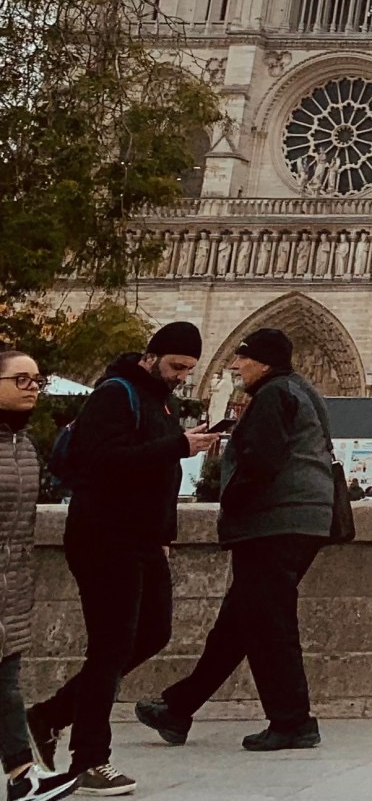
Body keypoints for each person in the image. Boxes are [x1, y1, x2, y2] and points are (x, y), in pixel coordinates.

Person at [27, 322, 218, 800]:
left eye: (188, 370)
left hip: (142, 539)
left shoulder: (158, 400)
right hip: (102, 536)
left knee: (154, 633)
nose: (180, 376)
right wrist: (180, 445)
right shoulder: (115, 394)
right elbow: (105, 460)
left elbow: (154, 477)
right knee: (110, 648)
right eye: (176, 366)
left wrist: (163, 535)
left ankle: (50, 715)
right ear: (152, 355)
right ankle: (90, 760)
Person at [140, 328, 337, 754]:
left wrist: (230, 498)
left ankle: (293, 722)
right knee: (241, 622)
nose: (236, 365)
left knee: (271, 624)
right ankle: (178, 707)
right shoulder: (300, 391)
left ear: (263, 362)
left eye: (242, 359)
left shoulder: (271, 396)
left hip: (275, 523)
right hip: (303, 519)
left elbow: (260, 462)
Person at [1, 352, 77, 801]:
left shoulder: (24, 446)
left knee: (6, 683)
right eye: (21, 378)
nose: (32, 387)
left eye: (37, 380)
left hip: (12, 583)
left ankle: (22, 777)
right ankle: (21, 777)